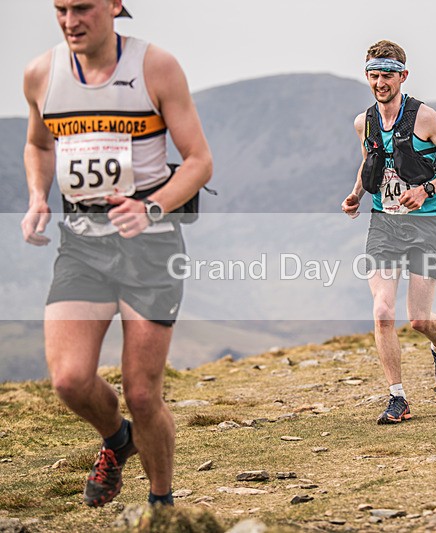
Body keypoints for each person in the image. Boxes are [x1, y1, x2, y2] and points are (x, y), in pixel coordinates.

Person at [21, 0, 212, 507]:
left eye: (81, 7)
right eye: (60, 9)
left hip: (150, 247)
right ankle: (118, 439)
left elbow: (199, 161)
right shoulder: (42, 73)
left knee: (144, 392)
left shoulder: (155, 67)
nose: (70, 21)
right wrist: (39, 196)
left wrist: (150, 208)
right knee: (69, 379)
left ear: (113, 5)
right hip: (82, 246)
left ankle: (161, 504)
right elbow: (39, 146)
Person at [341, 40, 436, 425]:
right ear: (367, 76)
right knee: (382, 312)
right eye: (374, 75)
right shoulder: (362, 122)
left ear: (403, 76)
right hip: (384, 224)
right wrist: (355, 194)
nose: (380, 82)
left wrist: (425, 189)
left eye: (387, 75)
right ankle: (398, 398)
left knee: (418, 319)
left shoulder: (425, 118)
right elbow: (369, 163)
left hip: (425, 224)